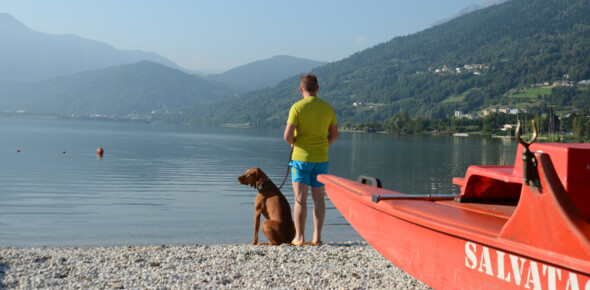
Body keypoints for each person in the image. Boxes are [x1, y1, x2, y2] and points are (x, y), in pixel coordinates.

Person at [283, 74, 338, 246]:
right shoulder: (327, 108)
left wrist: (295, 144)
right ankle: (317, 237)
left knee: (300, 198)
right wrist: (322, 147)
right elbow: (335, 135)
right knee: (319, 199)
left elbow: (287, 136)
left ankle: (299, 237)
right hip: (321, 159)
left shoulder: (297, 107)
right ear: (317, 88)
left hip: (300, 159)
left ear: (301, 89)